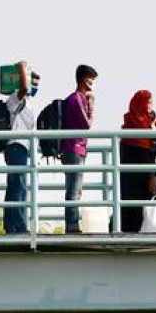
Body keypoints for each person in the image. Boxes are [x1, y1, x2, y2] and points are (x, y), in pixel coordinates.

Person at [2, 61, 40, 234]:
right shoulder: (17, 96)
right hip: (15, 145)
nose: (35, 85)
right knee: (18, 186)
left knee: (17, 186)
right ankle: (19, 225)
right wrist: (21, 69)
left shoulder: (30, 102)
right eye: (33, 81)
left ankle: (11, 225)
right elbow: (24, 87)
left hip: (23, 147)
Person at [61, 64, 97, 234]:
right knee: (73, 189)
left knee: (76, 189)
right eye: (92, 79)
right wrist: (91, 105)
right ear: (84, 79)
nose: (93, 83)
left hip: (78, 148)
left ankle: (73, 224)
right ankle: (72, 225)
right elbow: (86, 124)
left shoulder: (79, 98)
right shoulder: (76, 99)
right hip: (73, 147)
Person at [118, 90, 156, 233]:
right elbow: (145, 152)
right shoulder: (141, 124)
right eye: (148, 102)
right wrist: (152, 175)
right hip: (143, 173)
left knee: (129, 204)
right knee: (144, 203)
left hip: (128, 174)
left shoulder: (130, 121)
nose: (150, 105)